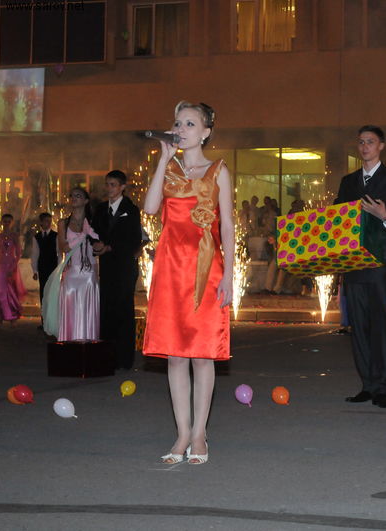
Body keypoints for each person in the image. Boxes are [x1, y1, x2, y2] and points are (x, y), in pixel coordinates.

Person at [143, 101, 234, 465]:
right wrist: (163, 160)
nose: (181, 129)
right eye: (178, 123)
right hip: (170, 269)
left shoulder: (219, 170)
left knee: (202, 354)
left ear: (206, 132)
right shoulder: (168, 169)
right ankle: (182, 433)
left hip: (205, 268)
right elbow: (151, 208)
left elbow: (228, 226)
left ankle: (199, 434)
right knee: (175, 356)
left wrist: (229, 275)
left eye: (190, 124)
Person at [335, 125, 386, 408]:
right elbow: (337, 220)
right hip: (352, 263)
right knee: (358, 326)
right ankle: (366, 384)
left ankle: (382, 388)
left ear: (381, 146)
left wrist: (384, 215)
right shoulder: (348, 182)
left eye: (370, 142)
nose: (365, 146)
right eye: (361, 142)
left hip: (379, 262)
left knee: (380, 325)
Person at [91, 170, 142, 370]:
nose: (109, 188)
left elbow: (133, 239)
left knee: (124, 309)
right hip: (107, 266)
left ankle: (124, 359)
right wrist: (96, 244)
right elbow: (93, 232)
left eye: (113, 185)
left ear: (122, 187)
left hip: (125, 266)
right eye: (107, 184)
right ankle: (107, 357)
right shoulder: (100, 209)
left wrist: (110, 247)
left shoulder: (131, 209)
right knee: (106, 309)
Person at [56, 188, 100, 341]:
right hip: (71, 273)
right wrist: (83, 234)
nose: (74, 198)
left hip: (89, 273)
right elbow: (64, 247)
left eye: (78, 195)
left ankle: (89, 346)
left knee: (88, 311)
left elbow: (98, 245)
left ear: (86, 201)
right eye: (72, 195)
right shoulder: (63, 223)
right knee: (70, 312)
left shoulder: (94, 222)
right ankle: (69, 346)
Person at [0, 214, 25, 326]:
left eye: (9, 221)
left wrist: (13, 267)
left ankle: (12, 317)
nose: (7, 223)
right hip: (0, 266)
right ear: (2, 222)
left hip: (11, 266)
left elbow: (18, 253)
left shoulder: (14, 236)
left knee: (11, 291)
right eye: (5, 221)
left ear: (12, 222)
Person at [30, 212, 60, 317]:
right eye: (46, 221)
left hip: (53, 267)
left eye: (50, 221)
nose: (49, 223)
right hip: (42, 267)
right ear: (41, 222)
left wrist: (59, 269)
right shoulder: (37, 237)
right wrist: (35, 270)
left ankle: (53, 318)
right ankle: (44, 319)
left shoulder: (56, 236)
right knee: (43, 292)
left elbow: (59, 253)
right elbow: (35, 254)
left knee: (53, 292)